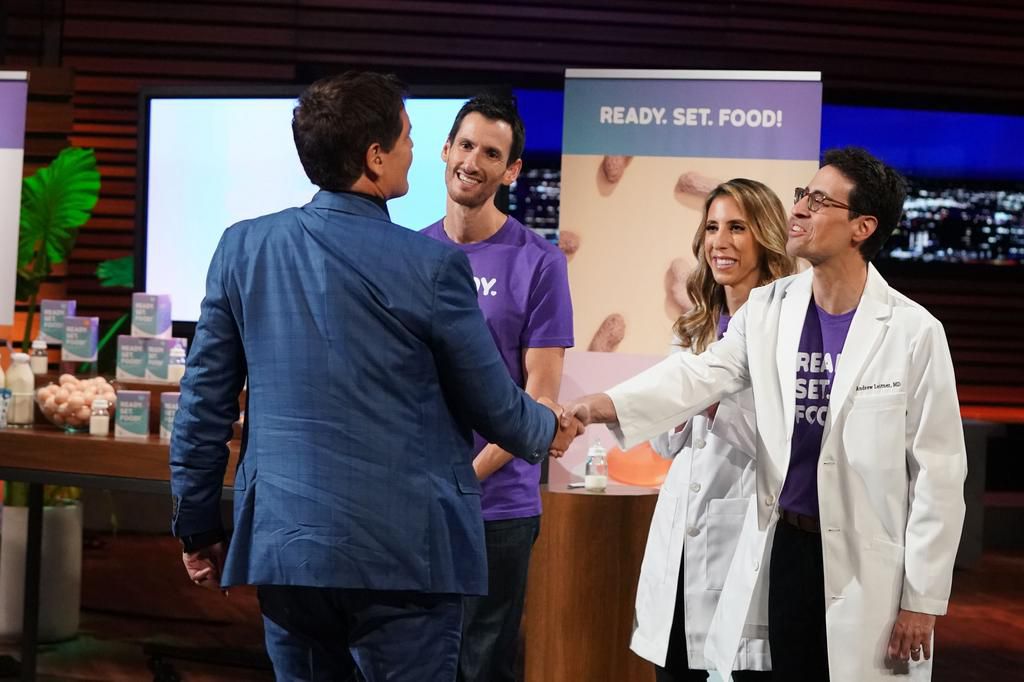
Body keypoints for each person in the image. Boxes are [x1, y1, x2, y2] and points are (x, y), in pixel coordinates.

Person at [168, 71, 582, 682]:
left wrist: (197, 525)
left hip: (288, 552)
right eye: (408, 136)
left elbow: (203, 406)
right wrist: (549, 426)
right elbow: (495, 406)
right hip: (406, 559)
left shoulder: (242, 248)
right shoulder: (432, 266)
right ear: (375, 157)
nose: (415, 149)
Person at [563, 147, 967, 682]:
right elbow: (698, 375)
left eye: (818, 201)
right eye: (802, 195)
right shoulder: (769, 309)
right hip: (785, 551)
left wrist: (923, 599)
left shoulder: (914, 332)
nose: (798, 209)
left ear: (862, 227)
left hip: (867, 565)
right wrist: (595, 406)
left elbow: (939, 476)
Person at [421, 94, 574, 682]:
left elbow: (539, 401)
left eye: (491, 153)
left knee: (482, 667)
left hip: (498, 508)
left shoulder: (540, 262)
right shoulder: (410, 253)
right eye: (466, 145)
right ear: (445, 150)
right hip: (415, 502)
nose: (473, 161)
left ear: (511, 171)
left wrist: (463, 478)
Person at [634, 179, 793, 681]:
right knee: (675, 666)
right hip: (681, 539)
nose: (720, 242)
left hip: (744, 532)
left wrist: (710, 402)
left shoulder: (789, 330)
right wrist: (681, 407)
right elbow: (664, 442)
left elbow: (786, 444)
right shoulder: (693, 327)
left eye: (737, 227)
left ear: (765, 237)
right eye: (712, 227)